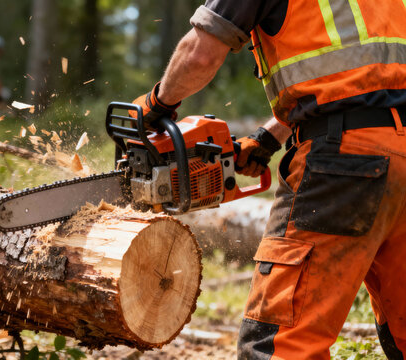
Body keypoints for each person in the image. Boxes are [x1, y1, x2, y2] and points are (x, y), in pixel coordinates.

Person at [132, 1, 406, 358]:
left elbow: (200, 56)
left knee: (279, 343)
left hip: (344, 163)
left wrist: (156, 104)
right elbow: (359, 82)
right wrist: (269, 137)